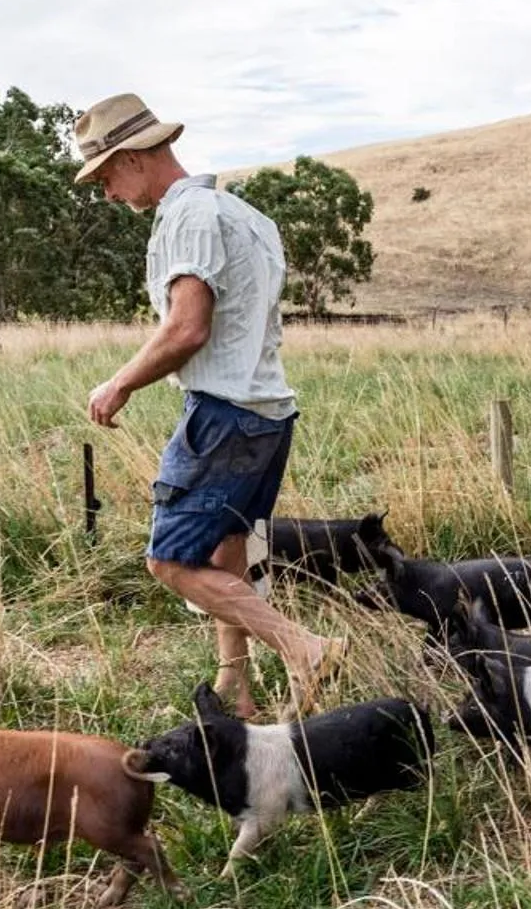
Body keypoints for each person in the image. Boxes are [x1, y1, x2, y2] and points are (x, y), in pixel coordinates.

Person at [73, 90, 344, 716]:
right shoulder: (245, 215)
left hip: (223, 415)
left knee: (169, 560)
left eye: (107, 176)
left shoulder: (187, 218)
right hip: (267, 411)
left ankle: (304, 647)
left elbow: (188, 327)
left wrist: (120, 383)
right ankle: (234, 686)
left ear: (136, 157)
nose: (109, 193)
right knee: (227, 549)